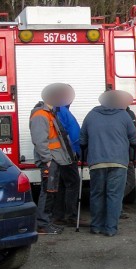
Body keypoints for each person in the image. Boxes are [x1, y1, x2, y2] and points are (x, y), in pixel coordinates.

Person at [80, 90, 136, 236]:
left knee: (97, 194)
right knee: (114, 195)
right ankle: (111, 228)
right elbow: (133, 139)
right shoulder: (123, 115)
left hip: (97, 162)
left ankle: (96, 226)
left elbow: (82, 140)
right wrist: (131, 154)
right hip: (119, 162)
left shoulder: (91, 115)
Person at [30, 84, 76, 235]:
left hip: (54, 159)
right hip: (50, 160)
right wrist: (47, 160)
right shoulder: (41, 115)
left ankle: (46, 223)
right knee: (47, 191)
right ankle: (43, 225)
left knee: (51, 192)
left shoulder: (50, 113)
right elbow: (39, 140)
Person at [50, 84, 83, 227]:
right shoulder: (63, 111)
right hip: (67, 154)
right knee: (73, 184)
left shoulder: (52, 110)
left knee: (62, 185)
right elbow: (73, 135)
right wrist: (78, 152)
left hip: (56, 154)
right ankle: (71, 217)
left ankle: (58, 215)